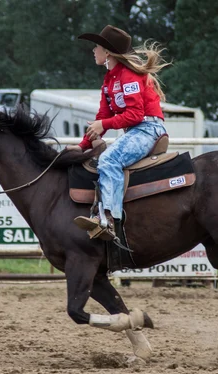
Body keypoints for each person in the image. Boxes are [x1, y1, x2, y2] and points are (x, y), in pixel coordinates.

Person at [72, 25, 170, 241]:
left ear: (107, 52)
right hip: (136, 131)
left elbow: (135, 114)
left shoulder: (128, 76)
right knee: (102, 158)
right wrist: (83, 146)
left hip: (148, 129)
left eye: (96, 46)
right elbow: (102, 117)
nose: (93, 50)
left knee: (108, 160)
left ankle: (107, 219)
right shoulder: (109, 81)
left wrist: (103, 124)